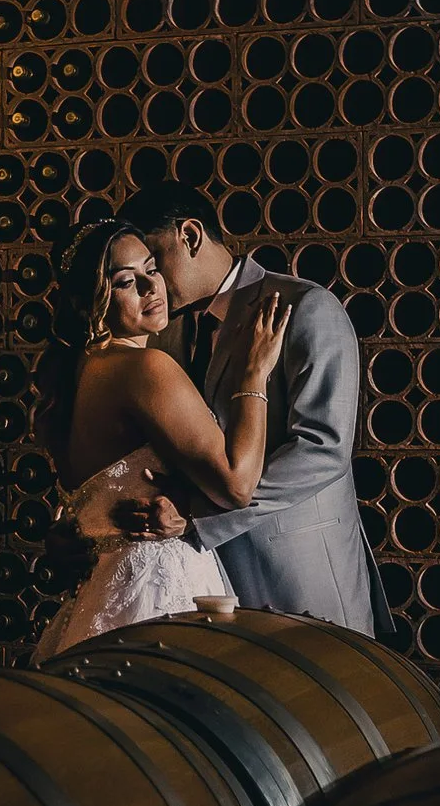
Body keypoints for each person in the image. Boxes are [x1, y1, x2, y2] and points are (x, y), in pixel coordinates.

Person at [102, 180, 394, 639]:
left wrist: (197, 513)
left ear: (191, 236)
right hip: (205, 584)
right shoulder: (162, 332)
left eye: (155, 264)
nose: (150, 283)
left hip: (299, 578)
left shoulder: (306, 307)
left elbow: (322, 448)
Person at [32, 218, 289, 660]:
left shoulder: (74, 376)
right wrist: (254, 375)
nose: (154, 286)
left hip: (104, 593)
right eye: (128, 282)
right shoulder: (144, 368)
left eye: (153, 268)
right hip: (160, 589)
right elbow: (237, 484)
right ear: (91, 302)